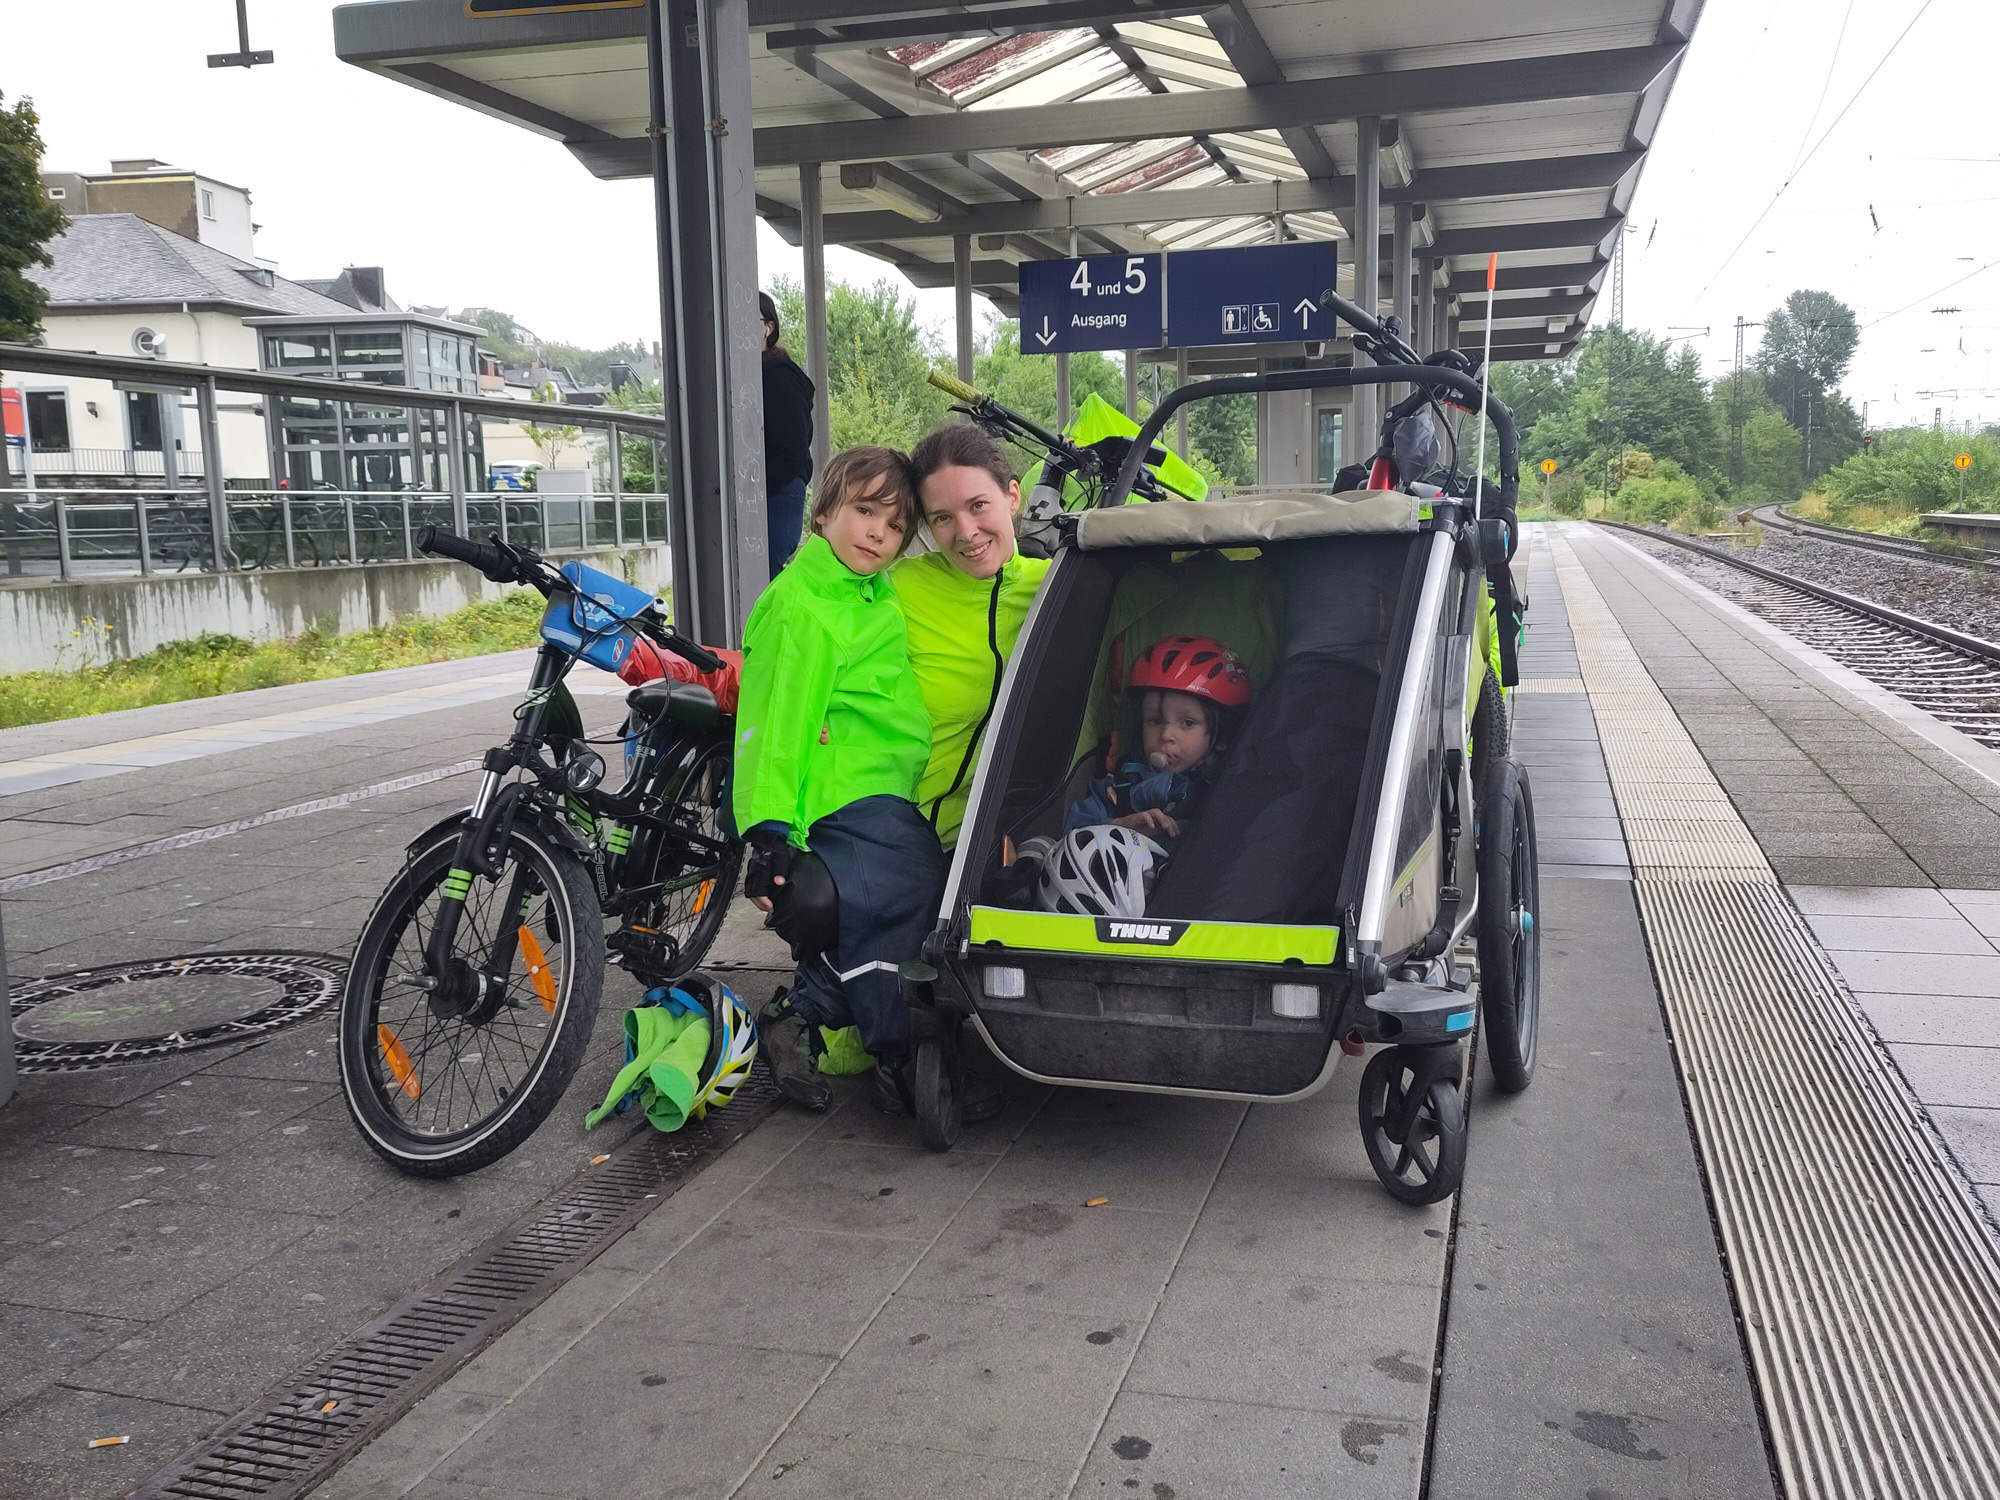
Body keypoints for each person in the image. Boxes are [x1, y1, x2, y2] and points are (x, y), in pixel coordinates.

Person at [732, 444, 942, 1117]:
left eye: (895, 525)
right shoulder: (803, 604)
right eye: (865, 511)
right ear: (823, 513)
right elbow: (775, 722)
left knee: (910, 895)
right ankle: (899, 1052)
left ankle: (800, 1014)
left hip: (879, 790)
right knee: (901, 893)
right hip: (839, 795)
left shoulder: (872, 595)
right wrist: (770, 834)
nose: (878, 533)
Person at [892, 423, 1052, 851]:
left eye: (978, 505)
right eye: (942, 518)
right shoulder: (899, 589)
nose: (965, 532)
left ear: (1013, 497)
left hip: (1005, 844)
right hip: (896, 836)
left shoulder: (1058, 585)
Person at [1063, 635, 1253, 851]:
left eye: (1187, 723)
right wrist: (1119, 827)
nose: (1166, 735)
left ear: (1221, 736)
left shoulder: (1227, 789)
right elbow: (1073, 837)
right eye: (1154, 720)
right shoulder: (1117, 787)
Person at [759, 291, 815, 572]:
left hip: (778, 490)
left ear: (768, 328)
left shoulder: (780, 378)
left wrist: (758, 487)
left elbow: (793, 449)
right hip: (771, 487)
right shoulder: (756, 376)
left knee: (764, 569)